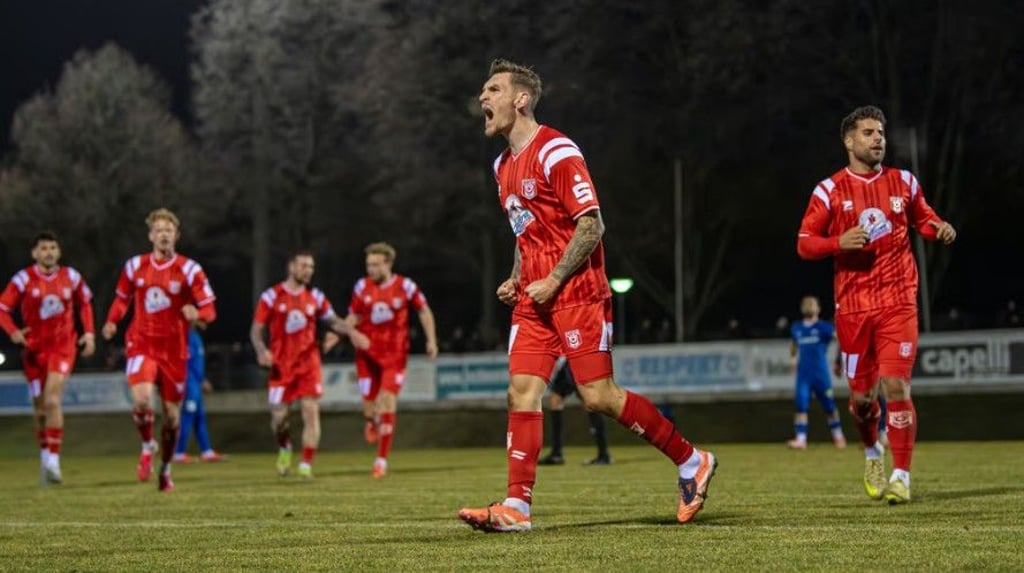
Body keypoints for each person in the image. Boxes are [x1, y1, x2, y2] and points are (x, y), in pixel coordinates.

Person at [458, 59, 716, 533]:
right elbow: (525, 231)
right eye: (483, 91)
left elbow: (592, 224)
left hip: (576, 290)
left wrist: (554, 278)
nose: (483, 100)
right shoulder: (502, 166)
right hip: (535, 299)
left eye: (493, 90)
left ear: (521, 99)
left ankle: (691, 460)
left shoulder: (556, 150)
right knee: (521, 391)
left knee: (597, 397)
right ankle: (517, 507)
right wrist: (517, 277)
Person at [797, 105, 956, 504]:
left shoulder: (904, 182)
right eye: (868, 133)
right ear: (849, 141)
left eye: (881, 132)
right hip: (852, 309)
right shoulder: (829, 191)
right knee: (863, 400)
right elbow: (804, 243)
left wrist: (939, 229)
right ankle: (872, 452)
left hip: (898, 302)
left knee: (896, 384)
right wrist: (838, 242)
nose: (878, 138)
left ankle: (902, 475)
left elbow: (924, 220)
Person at [102, 208, 217, 492]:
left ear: (176, 236)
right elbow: (121, 300)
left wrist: (197, 314)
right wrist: (111, 322)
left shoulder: (190, 270)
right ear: (151, 235)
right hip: (141, 343)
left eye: (169, 230)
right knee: (141, 401)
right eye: (159, 229)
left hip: (175, 350)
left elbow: (210, 309)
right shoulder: (134, 267)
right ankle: (146, 445)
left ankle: (165, 469)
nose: (164, 234)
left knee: (172, 416)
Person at [251, 250, 369, 478]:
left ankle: (306, 464)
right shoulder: (271, 296)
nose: (308, 271)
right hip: (280, 366)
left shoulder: (315, 297)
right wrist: (261, 350)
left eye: (311, 267)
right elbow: (256, 330)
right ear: (291, 267)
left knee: (310, 411)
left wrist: (353, 333)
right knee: (278, 419)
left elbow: (334, 321)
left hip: (308, 364)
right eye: (304, 266)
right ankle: (284, 446)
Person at [326, 242, 438, 479]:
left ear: (388, 263)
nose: (371, 269)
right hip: (366, 356)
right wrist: (337, 335)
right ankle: (370, 420)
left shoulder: (405, 286)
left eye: (375, 264)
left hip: (394, 355)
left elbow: (424, 311)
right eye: (368, 265)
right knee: (369, 409)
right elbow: (354, 317)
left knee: (387, 401)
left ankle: (381, 461)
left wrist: (431, 340)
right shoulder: (361, 287)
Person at [0, 231, 95, 484]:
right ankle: (45, 456)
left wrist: (90, 334)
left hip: (63, 347)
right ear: (35, 253)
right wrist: (13, 332)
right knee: (40, 408)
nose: (49, 252)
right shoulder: (23, 279)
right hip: (33, 351)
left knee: (52, 400)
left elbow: (85, 303)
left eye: (53, 247)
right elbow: (2, 309)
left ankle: (54, 462)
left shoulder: (71, 277)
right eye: (43, 248)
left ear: (59, 251)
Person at [786, 295, 846, 450]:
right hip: (804, 375)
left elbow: (841, 339)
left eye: (812, 303)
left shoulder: (824, 327)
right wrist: (793, 358)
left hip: (820, 373)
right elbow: (793, 345)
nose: (809, 305)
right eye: (806, 303)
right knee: (801, 405)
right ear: (802, 308)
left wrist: (839, 359)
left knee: (829, 406)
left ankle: (839, 437)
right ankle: (801, 439)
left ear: (818, 308)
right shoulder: (796, 328)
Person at [538, 357, 612, 465]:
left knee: (588, 401)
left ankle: (604, 455)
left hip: (578, 358)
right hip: (570, 359)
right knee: (556, 400)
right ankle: (556, 453)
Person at [173, 327, 224, 463]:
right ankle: (178, 452)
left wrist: (202, 379)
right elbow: (185, 364)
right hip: (190, 385)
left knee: (199, 417)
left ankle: (206, 451)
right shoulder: (185, 336)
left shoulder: (195, 336)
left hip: (196, 384)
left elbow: (197, 363)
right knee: (187, 417)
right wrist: (190, 382)